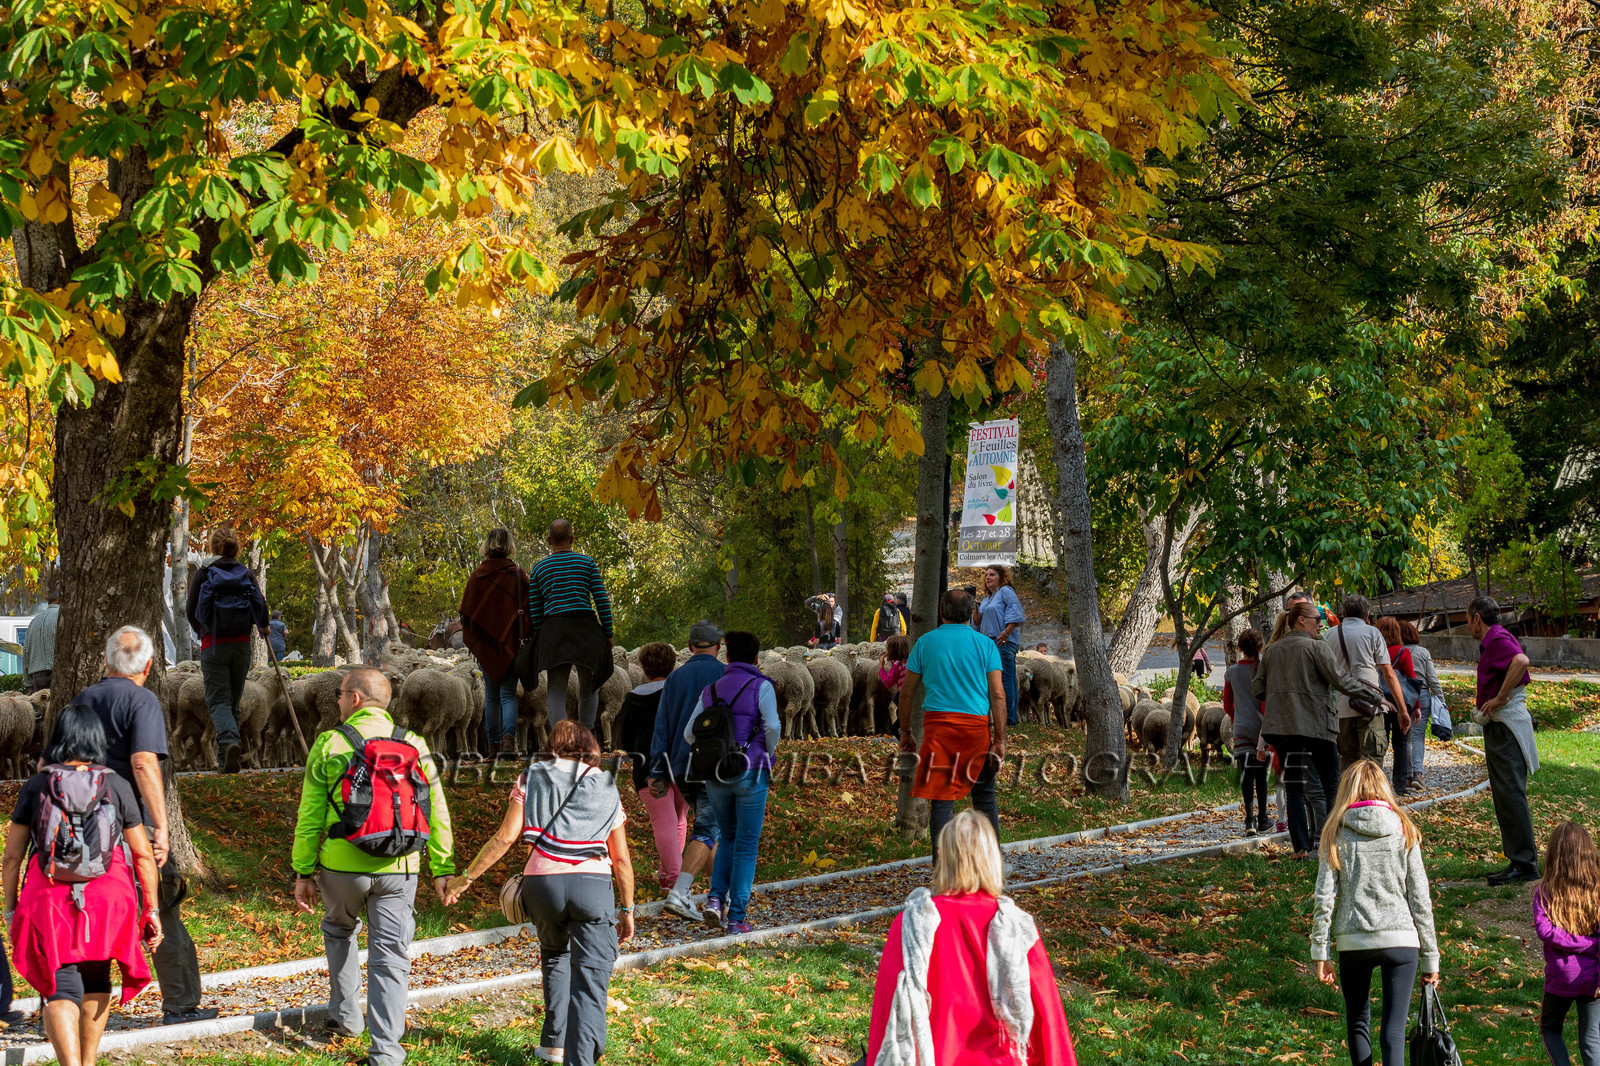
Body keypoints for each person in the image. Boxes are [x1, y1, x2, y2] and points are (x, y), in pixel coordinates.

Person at [291, 667, 455, 1064]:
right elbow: (437, 812)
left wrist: (303, 870)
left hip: (341, 865)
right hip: (400, 866)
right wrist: (442, 867)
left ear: (356, 698)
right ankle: (385, 1052)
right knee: (391, 954)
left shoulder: (329, 742)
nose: (338, 700)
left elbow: (311, 812)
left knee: (339, 931)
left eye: (341, 693)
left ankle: (346, 1018)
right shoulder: (414, 742)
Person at [445, 720, 633, 1066]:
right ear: (590, 749)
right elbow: (620, 858)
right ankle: (582, 1059)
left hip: (541, 884)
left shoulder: (532, 776)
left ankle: (553, 1044)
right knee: (591, 973)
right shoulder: (606, 783)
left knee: (555, 955)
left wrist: (466, 878)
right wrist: (628, 907)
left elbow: (505, 838)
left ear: (552, 747)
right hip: (592, 884)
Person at [3, 708, 161, 1066]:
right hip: (109, 896)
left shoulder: (38, 785)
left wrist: (10, 908)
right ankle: (88, 1063)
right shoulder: (116, 784)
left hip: (49, 896)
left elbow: (12, 857)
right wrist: (150, 909)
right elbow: (142, 854)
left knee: (58, 982)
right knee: (96, 974)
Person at [74, 625, 213, 1025]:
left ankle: (76, 1006)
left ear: (106, 661)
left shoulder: (81, 701)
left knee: (88, 912)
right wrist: (162, 826)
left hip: (82, 826)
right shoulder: (142, 700)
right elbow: (143, 762)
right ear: (149, 665)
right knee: (161, 908)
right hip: (132, 822)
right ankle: (181, 1004)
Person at [865, 810, 1078, 1064]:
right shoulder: (1016, 926)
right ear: (993, 859)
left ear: (942, 857)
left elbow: (888, 1014)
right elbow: (1049, 1020)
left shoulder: (912, 924)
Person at [1311, 759, 1441, 1066]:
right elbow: (1420, 897)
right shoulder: (1404, 828)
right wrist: (1430, 956)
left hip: (1353, 940)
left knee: (1358, 1022)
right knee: (1394, 1031)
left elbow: (1324, 896)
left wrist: (1321, 950)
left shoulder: (1336, 831)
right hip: (1402, 940)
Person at [1253, 601, 1383, 858]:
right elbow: (1341, 680)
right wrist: (1375, 697)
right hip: (1316, 725)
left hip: (1282, 728)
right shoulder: (1317, 647)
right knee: (1332, 783)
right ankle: (1334, 842)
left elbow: (1257, 689)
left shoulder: (1271, 651)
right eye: (1316, 618)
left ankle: (1301, 847)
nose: (1321, 623)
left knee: (1294, 789)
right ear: (1301, 620)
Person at [901, 589, 1006, 863]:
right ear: (972, 613)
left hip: (939, 729)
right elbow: (997, 694)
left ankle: (942, 869)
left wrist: (906, 732)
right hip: (975, 730)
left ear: (941, 611)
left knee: (941, 798)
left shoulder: (925, 643)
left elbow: (906, 692)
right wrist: (1000, 739)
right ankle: (992, 863)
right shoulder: (986, 645)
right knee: (984, 795)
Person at [686, 630, 780, 933]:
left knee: (726, 835)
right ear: (756, 657)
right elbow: (773, 725)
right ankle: (737, 917)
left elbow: (690, 733)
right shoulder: (761, 686)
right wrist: (768, 750)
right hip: (750, 770)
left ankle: (715, 900)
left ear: (727, 657)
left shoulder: (711, 690)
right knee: (747, 844)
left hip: (715, 773)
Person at [647, 621, 726, 920]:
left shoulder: (675, 678)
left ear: (690, 647)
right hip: (714, 765)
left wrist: (658, 771)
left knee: (713, 829)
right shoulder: (724, 675)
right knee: (708, 828)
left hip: (681, 766)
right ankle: (680, 893)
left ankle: (720, 897)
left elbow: (662, 726)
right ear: (719, 646)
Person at [184, 527, 269, 773]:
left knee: (217, 700)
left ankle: (229, 741)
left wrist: (204, 631)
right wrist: (263, 626)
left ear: (213, 547)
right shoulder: (247, 573)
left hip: (214, 646)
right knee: (233, 700)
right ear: (236, 548)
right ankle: (226, 762)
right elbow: (261, 607)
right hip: (242, 645)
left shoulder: (205, 573)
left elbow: (191, 609)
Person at [1469, 595, 1540, 885]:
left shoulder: (1497, 637)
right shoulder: (1496, 638)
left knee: (1510, 793)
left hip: (1505, 725)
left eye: (1468, 620)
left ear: (1476, 618)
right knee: (1506, 793)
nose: (1468, 627)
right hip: (1500, 724)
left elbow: (1521, 660)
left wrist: (1498, 698)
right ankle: (1520, 860)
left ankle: (1524, 864)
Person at [529, 519, 614, 730]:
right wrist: (608, 632)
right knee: (589, 686)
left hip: (554, 629)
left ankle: (562, 739)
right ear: (572, 539)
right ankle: (585, 735)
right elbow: (601, 599)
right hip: (585, 628)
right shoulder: (587, 563)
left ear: (548, 540)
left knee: (556, 690)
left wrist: (541, 634)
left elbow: (535, 608)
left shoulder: (539, 568)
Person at [616, 641, 684, 891]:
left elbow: (626, 739)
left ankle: (675, 879)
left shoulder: (633, 699)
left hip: (647, 768)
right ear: (672, 664)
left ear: (644, 667)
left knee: (663, 821)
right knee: (678, 818)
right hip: (681, 764)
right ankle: (670, 874)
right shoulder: (680, 692)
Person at [459, 528, 531, 756]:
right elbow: (531, 611)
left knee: (491, 697)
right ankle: (509, 742)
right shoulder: (517, 574)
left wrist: (481, 636)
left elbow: (466, 613)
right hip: (512, 645)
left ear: (487, 545)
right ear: (509, 545)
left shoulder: (477, 576)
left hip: (486, 647)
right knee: (508, 693)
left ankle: (493, 746)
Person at [1533, 822, 1600, 1066]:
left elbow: (1545, 930)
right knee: (1592, 1038)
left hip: (1561, 975)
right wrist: (1590, 946)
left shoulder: (1545, 892)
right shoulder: (1597, 892)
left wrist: (1573, 944)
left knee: (1550, 1028)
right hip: (1594, 976)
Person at [1322, 595, 1409, 772]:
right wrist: (1402, 709)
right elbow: (1389, 673)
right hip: (1370, 704)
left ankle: (1350, 796)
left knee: (1347, 757)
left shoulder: (1328, 635)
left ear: (1343, 613)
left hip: (1340, 706)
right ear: (1367, 615)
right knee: (1372, 758)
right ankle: (1370, 796)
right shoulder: (1372, 633)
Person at [1224, 628, 1268, 835]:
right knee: (1261, 775)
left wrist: (1237, 717)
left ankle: (1249, 820)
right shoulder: (1264, 670)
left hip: (1241, 728)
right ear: (1260, 647)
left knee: (1246, 775)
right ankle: (1263, 818)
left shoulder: (1232, 672)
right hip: (1263, 729)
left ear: (1240, 648)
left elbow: (1227, 704)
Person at [974, 564, 1025, 728]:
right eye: (986, 575)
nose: (988, 577)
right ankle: (1000, 717)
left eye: (992, 575)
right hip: (988, 644)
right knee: (993, 680)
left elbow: (1015, 611)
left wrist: (1006, 633)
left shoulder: (1005, 591)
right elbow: (978, 621)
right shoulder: (987, 599)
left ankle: (1009, 719)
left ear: (1001, 577)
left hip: (1003, 641)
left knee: (1005, 679)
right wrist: (974, 605)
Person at [1400, 621, 1447, 790]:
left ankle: (1405, 775)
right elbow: (1432, 678)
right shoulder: (1422, 652)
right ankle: (1417, 775)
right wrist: (1441, 699)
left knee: (1404, 736)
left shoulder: (1397, 651)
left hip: (1401, 695)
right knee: (1418, 736)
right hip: (1422, 694)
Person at [1375, 616, 1416, 795]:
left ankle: (1378, 785)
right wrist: (1417, 707)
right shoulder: (1403, 651)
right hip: (1401, 704)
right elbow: (1411, 679)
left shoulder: (1375, 651)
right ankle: (1399, 786)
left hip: (1380, 702)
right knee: (1400, 744)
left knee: (1380, 745)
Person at [21, 584, 58, 693]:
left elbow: (26, 652)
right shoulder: (62, 617)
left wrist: (28, 684)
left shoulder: (34, 621)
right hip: (56, 674)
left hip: (37, 677)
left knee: (41, 709)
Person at [875, 634, 912, 736]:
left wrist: (881, 667)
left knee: (897, 728)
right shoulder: (910, 661)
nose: (885, 651)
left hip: (904, 695)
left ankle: (905, 744)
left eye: (887, 649)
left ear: (894, 650)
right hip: (912, 692)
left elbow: (888, 682)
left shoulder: (897, 665)